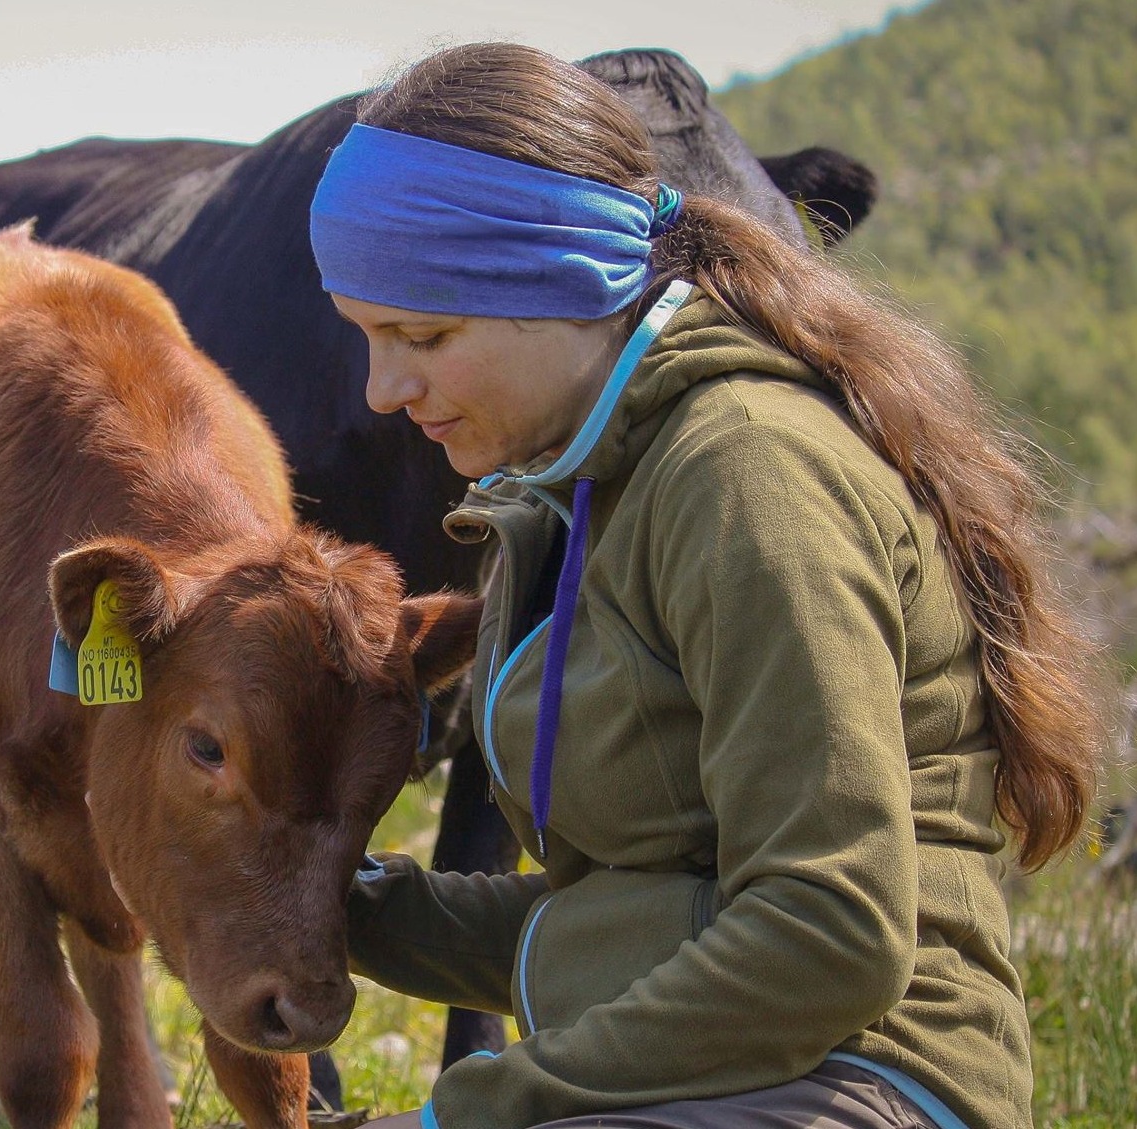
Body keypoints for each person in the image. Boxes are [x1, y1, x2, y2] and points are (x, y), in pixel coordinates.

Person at [306, 43, 1104, 1129]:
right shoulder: (576, 488)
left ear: (560, 281)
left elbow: (828, 931)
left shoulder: (746, 475)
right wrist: (323, 904)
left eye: (422, 334)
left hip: (869, 1080)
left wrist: (475, 1110)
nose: (383, 388)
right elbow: (628, 910)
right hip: (740, 1076)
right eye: (364, 336)